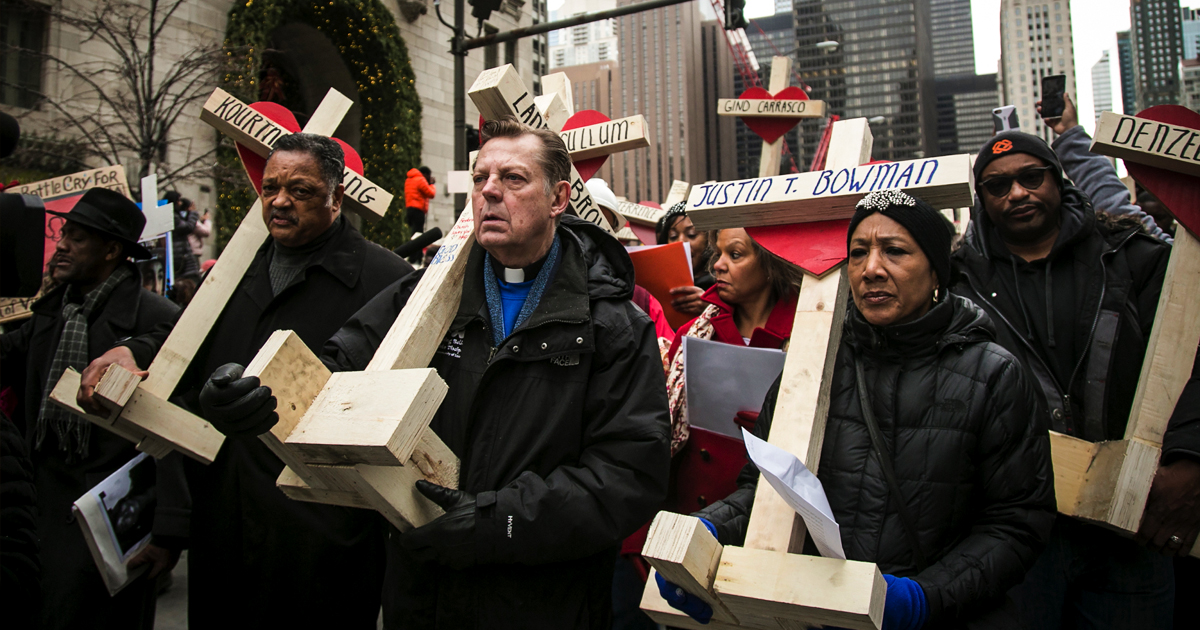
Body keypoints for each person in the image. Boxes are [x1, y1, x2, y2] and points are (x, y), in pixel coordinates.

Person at [210, 118, 672, 628]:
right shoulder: (421, 298)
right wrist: (254, 397)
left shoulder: (613, 324)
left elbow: (628, 473)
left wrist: (501, 521)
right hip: (423, 591)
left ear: (559, 198)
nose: (489, 192)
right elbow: (335, 371)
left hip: (541, 602)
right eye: (480, 179)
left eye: (513, 179)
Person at [663, 189, 1056, 628]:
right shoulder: (810, 366)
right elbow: (767, 489)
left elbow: (1016, 525)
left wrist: (925, 598)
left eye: (894, 251)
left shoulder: (994, 376)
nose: (871, 269)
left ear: (936, 271)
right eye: (858, 253)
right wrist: (705, 536)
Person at [75, 134, 414, 629]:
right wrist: (134, 351)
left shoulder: (388, 280)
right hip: (225, 523)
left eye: (299, 190)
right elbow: (181, 340)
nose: (278, 201)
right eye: (269, 188)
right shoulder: (230, 274)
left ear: (336, 197)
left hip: (323, 535)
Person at [952, 130, 1196, 629]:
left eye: (1030, 177)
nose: (1016, 193)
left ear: (1058, 181)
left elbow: (1193, 354)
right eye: (997, 186)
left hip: (1133, 521)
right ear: (982, 201)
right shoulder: (958, 282)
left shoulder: (1134, 256)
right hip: (1017, 527)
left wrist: (1190, 456)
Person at [0, 187, 185, 630]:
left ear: (112, 250)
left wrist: (167, 532)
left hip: (113, 521)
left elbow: (174, 433)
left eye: (78, 238)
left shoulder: (158, 319)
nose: (61, 244)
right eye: (65, 232)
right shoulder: (50, 313)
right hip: (43, 511)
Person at [1036, 92, 1171, 243]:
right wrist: (1070, 132)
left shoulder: (1177, 258)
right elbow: (1117, 212)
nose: (1017, 194)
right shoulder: (1165, 253)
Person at [586, 177, 675, 358]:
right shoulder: (529, 291)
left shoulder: (642, 302)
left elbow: (669, 364)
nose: (589, 238)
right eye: (580, 223)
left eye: (603, 228)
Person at [657, 202, 715, 318]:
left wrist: (711, 310)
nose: (681, 242)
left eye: (691, 234)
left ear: (709, 240)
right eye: (673, 236)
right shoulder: (658, 286)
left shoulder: (724, 285)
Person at [404, 164, 437, 235]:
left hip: (409, 209)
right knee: (418, 233)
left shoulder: (409, 179)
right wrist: (431, 184)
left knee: (413, 232)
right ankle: (417, 246)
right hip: (418, 209)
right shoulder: (420, 179)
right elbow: (431, 194)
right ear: (425, 174)